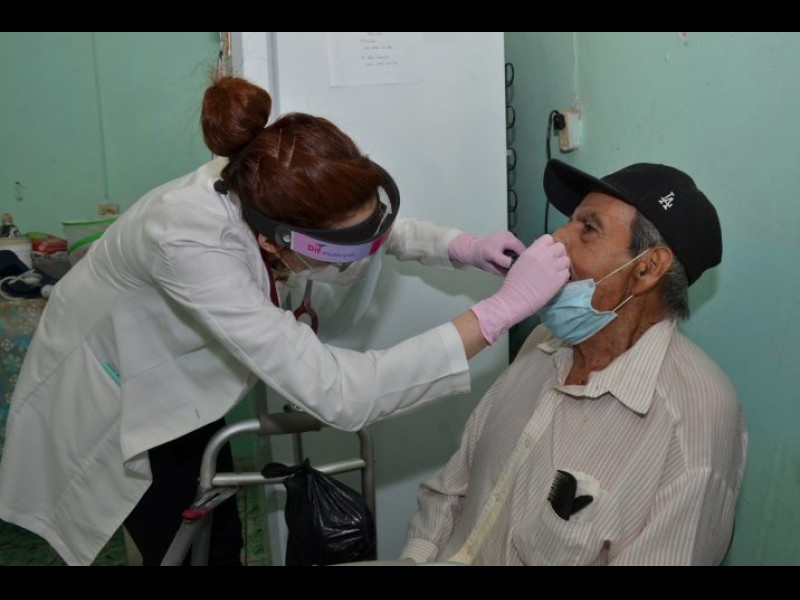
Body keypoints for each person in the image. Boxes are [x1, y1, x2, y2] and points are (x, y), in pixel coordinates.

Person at [0, 76, 570, 566]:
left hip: (181, 379)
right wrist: (498, 313)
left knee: (217, 532)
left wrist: (461, 247)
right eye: (339, 257)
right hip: (116, 391)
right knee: (176, 541)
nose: (358, 259)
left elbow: (362, 228)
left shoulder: (269, 182)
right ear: (277, 242)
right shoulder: (189, 239)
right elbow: (343, 393)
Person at [401, 159, 747, 566]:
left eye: (588, 229)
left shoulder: (695, 419)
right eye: (570, 222)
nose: (554, 239)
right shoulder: (544, 343)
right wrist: (415, 559)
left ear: (648, 268)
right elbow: (452, 489)